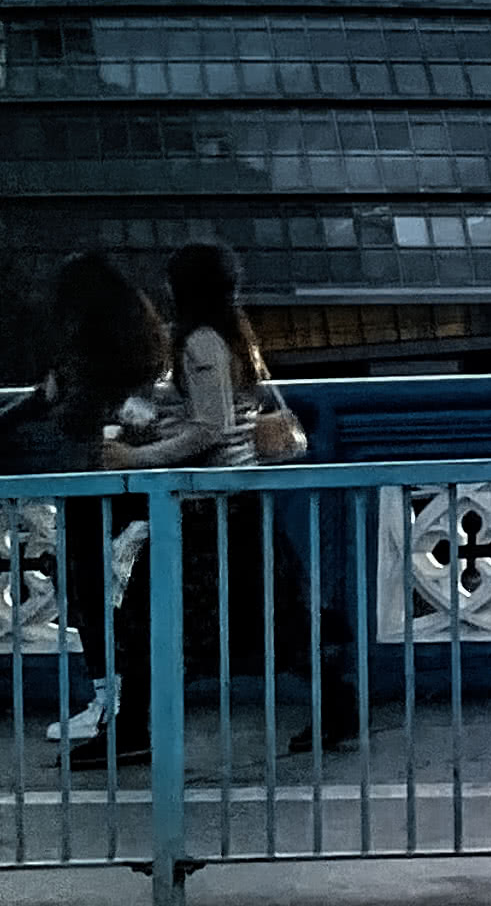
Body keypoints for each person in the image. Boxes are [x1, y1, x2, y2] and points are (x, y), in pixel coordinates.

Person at [99, 241, 349, 759]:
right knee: (274, 615)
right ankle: (337, 704)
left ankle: (132, 728)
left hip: (208, 505)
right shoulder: (232, 337)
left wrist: (135, 457)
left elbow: (209, 429)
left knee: (149, 610)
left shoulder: (200, 343)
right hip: (236, 502)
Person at [36, 252, 169, 765]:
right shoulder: (142, 340)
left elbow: (71, 414)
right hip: (130, 477)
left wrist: (51, 397)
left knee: (86, 586)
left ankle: (109, 699)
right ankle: (121, 703)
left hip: (91, 477)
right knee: (117, 594)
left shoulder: (87, 352)